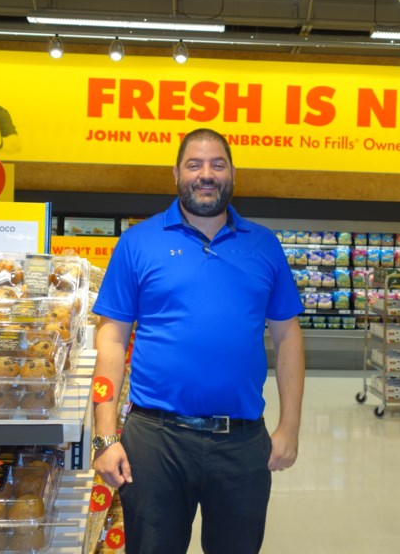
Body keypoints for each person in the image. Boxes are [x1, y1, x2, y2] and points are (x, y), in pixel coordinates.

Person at [91, 128, 305, 554]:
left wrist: (290, 427)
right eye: (194, 164)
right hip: (155, 440)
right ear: (176, 174)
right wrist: (104, 437)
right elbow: (112, 340)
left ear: (232, 174)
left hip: (242, 444)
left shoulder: (263, 245)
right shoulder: (138, 242)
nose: (206, 174)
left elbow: (288, 338)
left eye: (217, 164)